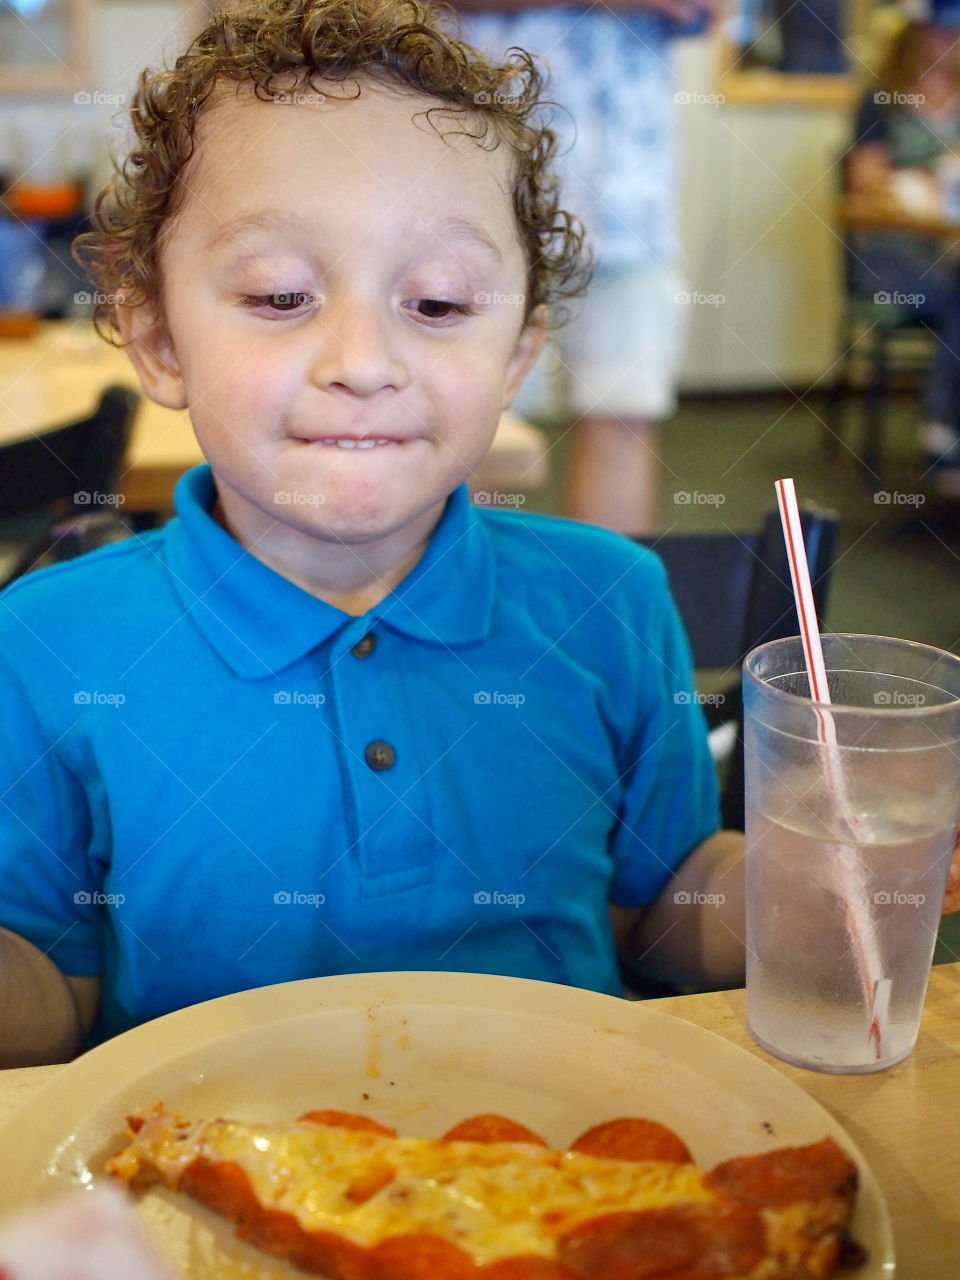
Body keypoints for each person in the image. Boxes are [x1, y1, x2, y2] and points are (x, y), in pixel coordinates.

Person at [0, 0, 955, 1069]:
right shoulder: (45, 644)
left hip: (558, 1181)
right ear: (158, 336)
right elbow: (51, 996)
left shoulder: (611, 598)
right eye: (280, 294)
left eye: (441, 304)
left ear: (516, 356)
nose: (363, 358)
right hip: (196, 1193)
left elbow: (664, 917)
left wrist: (801, 886)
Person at [455, 0, 715, 535]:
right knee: (468, 425)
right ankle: (454, 613)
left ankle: (605, 616)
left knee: (622, 418)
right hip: (478, 173)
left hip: (628, 195)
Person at [847, 19, 960, 493]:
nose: (948, 41)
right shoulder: (880, 100)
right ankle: (941, 430)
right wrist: (931, 177)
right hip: (892, 254)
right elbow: (864, 178)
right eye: (938, 30)